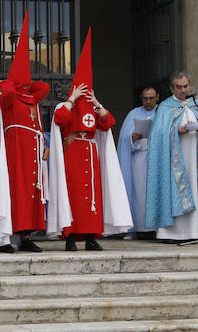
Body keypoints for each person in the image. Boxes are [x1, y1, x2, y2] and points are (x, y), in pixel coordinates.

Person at [47, 28, 132, 251]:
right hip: (73, 153)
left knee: (91, 195)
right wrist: (72, 100)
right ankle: (71, 237)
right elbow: (59, 118)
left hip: (90, 154)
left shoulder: (93, 108)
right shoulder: (65, 106)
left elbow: (107, 122)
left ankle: (92, 236)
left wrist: (97, 103)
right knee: (74, 195)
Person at [0, 10, 49, 253]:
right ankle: (3, 239)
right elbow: (10, 92)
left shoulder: (31, 99)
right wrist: (5, 82)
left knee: (30, 198)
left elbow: (44, 87)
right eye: (21, 82)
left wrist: (25, 83)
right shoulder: (6, 99)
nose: (24, 86)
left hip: (31, 155)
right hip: (14, 155)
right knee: (14, 195)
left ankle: (26, 237)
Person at [145, 71, 198, 241]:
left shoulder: (196, 105)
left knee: (193, 189)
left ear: (189, 86)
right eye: (178, 87)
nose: (183, 90)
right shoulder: (165, 107)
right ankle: (171, 233)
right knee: (174, 192)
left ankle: (192, 232)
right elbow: (156, 135)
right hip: (173, 162)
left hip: (194, 159)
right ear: (172, 88)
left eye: (185, 86)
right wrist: (175, 131)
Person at [117, 87, 159, 239]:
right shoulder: (133, 114)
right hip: (139, 159)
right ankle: (139, 228)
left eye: (151, 98)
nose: (148, 102)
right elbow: (123, 137)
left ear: (157, 98)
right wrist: (132, 136)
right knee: (140, 195)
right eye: (145, 98)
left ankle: (158, 229)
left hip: (158, 160)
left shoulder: (163, 113)